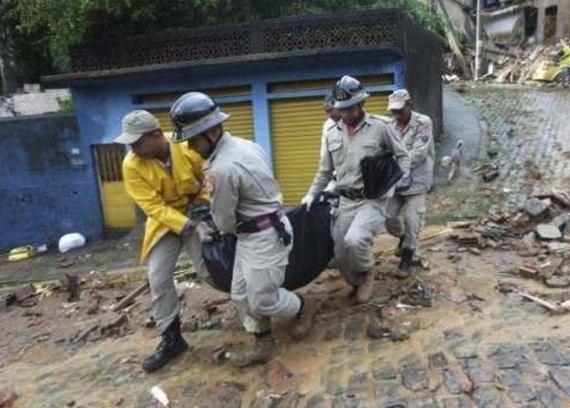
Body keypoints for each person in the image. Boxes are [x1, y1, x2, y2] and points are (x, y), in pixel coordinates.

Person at [169, 92, 319, 367]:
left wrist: (210, 227)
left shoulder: (221, 168)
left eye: (192, 139)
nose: (190, 147)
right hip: (260, 229)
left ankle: (302, 304)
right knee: (240, 293)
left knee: (261, 300)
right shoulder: (245, 145)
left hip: (263, 235)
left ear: (212, 132)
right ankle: (264, 342)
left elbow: (224, 222)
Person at [115, 110, 213, 373]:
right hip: (165, 222)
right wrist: (187, 225)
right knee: (158, 278)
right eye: (130, 144)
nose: (132, 148)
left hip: (197, 212)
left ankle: (254, 314)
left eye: (137, 142)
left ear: (157, 135)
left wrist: (203, 212)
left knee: (210, 271)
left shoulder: (185, 143)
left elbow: (208, 177)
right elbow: (153, 207)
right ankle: (172, 339)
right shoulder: (131, 165)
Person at [302, 76, 410, 303]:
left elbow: (402, 156)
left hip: (373, 199)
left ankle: (368, 272)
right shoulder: (332, 133)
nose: (347, 114)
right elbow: (324, 170)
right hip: (346, 201)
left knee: (355, 240)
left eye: (351, 108)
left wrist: (393, 183)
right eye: (342, 109)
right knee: (340, 254)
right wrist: (311, 194)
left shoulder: (380, 127)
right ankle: (356, 280)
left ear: (361, 104)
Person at [384, 89, 435, 277]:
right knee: (388, 217)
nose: (397, 115)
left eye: (400, 110)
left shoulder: (423, 122)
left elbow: (419, 153)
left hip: (417, 181)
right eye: (393, 111)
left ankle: (407, 256)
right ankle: (403, 237)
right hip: (396, 183)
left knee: (413, 222)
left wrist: (396, 165)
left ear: (409, 105)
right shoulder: (390, 126)